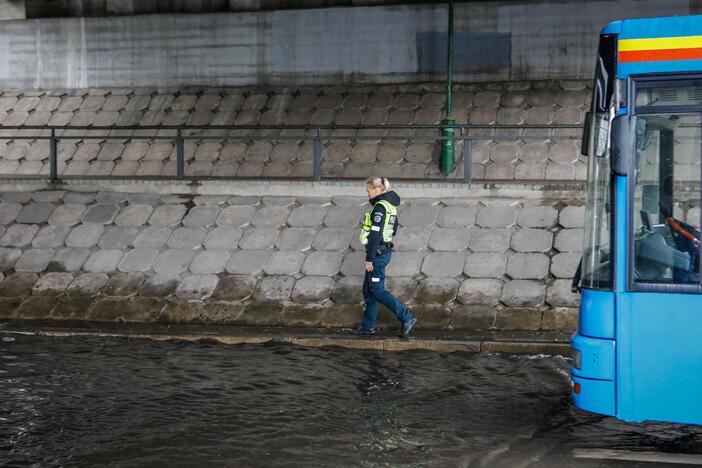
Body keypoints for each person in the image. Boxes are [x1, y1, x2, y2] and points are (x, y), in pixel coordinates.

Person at [354, 176, 417, 338]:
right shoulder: (390, 206)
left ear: (377, 190)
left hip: (377, 254)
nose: (367, 194)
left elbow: (375, 235)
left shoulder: (380, 208)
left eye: (368, 191)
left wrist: (369, 258)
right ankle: (367, 327)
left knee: (376, 290)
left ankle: (406, 317)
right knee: (368, 290)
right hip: (383, 251)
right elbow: (393, 229)